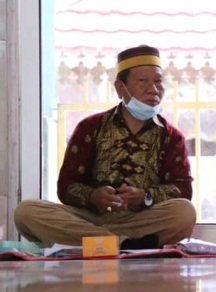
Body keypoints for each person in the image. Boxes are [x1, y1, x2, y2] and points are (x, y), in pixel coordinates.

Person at [14, 45, 195, 249]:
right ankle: (123, 243)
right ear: (120, 88)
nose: (153, 89)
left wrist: (145, 196)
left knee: (185, 212)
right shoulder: (91, 128)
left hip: (142, 220)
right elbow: (66, 186)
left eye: (158, 81)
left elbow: (183, 189)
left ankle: (102, 243)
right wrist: (93, 196)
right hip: (91, 218)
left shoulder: (171, 137)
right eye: (143, 81)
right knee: (26, 212)